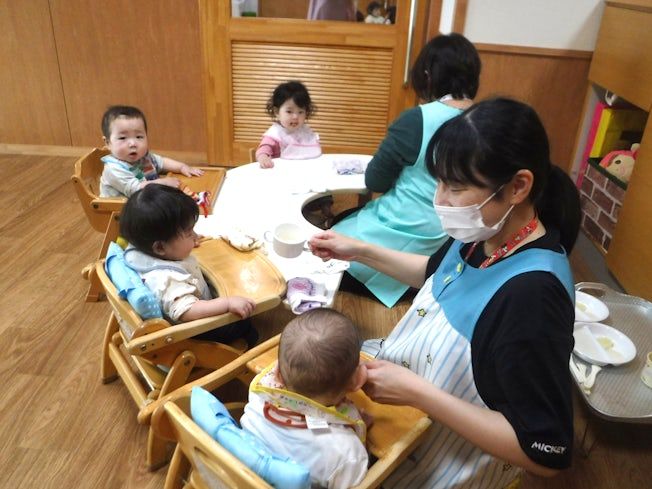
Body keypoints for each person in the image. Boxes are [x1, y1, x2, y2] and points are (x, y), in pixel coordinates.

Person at [310, 98, 581, 488]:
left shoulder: (534, 296)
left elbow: (544, 453)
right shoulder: (484, 233)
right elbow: (436, 275)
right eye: (438, 182)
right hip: (404, 407)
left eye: (455, 187)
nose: (440, 200)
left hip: (441, 459)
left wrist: (419, 394)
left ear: (518, 186)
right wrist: (359, 250)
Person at [332, 33, 481, 307]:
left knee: (329, 236)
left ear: (427, 76)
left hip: (409, 235)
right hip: (459, 246)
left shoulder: (418, 119)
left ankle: (393, 282)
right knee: (344, 219)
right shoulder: (488, 120)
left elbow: (376, 180)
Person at [241, 309, 369, 489]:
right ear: (357, 380)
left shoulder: (258, 398)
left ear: (277, 375)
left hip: (246, 476)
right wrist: (357, 432)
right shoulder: (347, 453)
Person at [119, 184, 258, 346]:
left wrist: (187, 241)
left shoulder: (142, 249)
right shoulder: (167, 279)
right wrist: (227, 304)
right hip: (195, 333)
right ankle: (251, 348)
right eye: (189, 232)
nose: (194, 235)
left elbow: (174, 246)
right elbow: (187, 311)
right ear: (160, 247)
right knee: (244, 323)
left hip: (193, 301)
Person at [99, 105, 204, 197]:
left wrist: (182, 167)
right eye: (122, 138)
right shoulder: (114, 169)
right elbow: (136, 189)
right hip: (121, 209)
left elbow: (162, 162)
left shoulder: (144, 157)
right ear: (107, 143)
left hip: (147, 201)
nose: (133, 143)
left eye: (139, 137)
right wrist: (163, 183)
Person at [255, 81, 321, 169]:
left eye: (300, 112)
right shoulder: (275, 134)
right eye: (289, 111)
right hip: (280, 173)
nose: (295, 116)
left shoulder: (305, 132)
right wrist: (263, 157)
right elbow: (263, 149)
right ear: (277, 112)